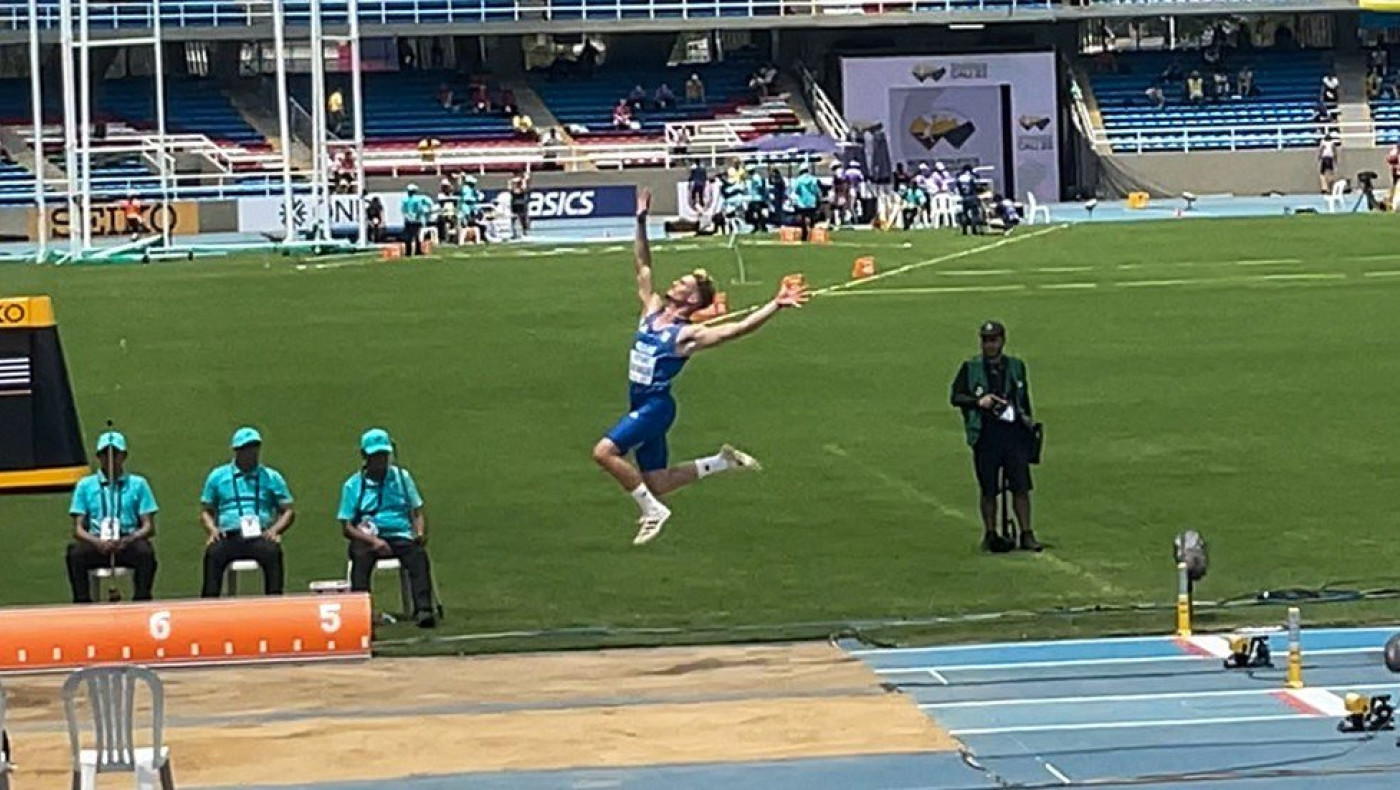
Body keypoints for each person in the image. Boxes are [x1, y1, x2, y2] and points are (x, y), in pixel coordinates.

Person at [591, 189, 809, 546]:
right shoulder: (652, 310)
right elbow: (643, 266)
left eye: (683, 284)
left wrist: (775, 304)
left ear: (693, 299)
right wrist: (641, 221)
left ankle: (651, 511)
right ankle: (723, 462)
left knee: (604, 452)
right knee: (658, 481)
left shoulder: (686, 335)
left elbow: (736, 329)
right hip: (640, 404)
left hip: (655, 407)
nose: (674, 283)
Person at [949, 321, 1042, 553]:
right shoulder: (970, 368)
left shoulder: (1015, 366)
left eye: (993, 340)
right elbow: (956, 396)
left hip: (1013, 435)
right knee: (989, 488)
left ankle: (1026, 533)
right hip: (986, 435)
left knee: (1020, 487)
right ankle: (990, 533)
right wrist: (978, 402)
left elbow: (1024, 399)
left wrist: (1028, 426)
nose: (989, 345)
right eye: (986, 340)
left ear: (1002, 341)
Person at [339, 428, 437, 628]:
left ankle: (424, 609)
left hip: (399, 534)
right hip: (367, 538)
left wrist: (419, 532)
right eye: (376, 456)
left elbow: (417, 511)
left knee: (417, 556)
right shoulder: (353, 485)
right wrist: (374, 541)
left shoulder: (402, 478)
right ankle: (361, 612)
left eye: (384, 455)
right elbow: (347, 526)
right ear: (365, 456)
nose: (381, 461)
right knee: (360, 557)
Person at [199, 427, 294, 597]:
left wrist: (275, 530)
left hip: (259, 535)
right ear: (236, 451)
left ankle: (274, 602)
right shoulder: (218, 476)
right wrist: (213, 530)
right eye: (246, 448)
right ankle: (209, 603)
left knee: (273, 552)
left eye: (254, 447)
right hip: (228, 535)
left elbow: (287, 510)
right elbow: (206, 511)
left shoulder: (271, 477)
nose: (251, 452)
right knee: (213, 554)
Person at [65, 431, 159, 603]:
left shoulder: (139, 484)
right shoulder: (85, 485)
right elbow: (78, 529)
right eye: (105, 454)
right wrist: (96, 542)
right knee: (75, 554)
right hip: (97, 541)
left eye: (115, 454)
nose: (110, 459)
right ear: (98, 457)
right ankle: (82, 603)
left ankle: (141, 600)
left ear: (124, 456)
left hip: (127, 541)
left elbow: (148, 526)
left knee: (146, 553)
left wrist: (129, 539)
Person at [791, 163, 820, 241]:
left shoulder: (798, 180)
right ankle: (812, 234)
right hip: (812, 202)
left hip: (802, 203)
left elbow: (796, 191)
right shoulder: (813, 179)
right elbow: (817, 191)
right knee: (812, 218)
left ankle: (804, 235)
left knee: (803, 219)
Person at [400, 183, 431, 256]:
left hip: (408, 220)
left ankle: (408, 251)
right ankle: (418, 250)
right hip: (416, 220)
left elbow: (403, 210)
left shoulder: (405, 200)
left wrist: (406, 216)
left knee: (408, 236)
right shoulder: (417, 199)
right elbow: (419, 209)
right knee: (417, 235)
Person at [508, 169, 531, 238]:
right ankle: (514, 233)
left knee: (522, 218)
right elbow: (510, 189)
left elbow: (523, 189)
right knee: (513, 218)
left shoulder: (522, 186)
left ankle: (524, 232)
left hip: (521, 203)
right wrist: (511, 182)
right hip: (514, 204)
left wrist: (523, 180)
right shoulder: (512, 186)